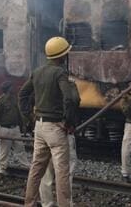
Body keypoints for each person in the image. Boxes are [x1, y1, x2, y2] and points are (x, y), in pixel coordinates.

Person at [19, 36, 79, 207]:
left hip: (39, 127)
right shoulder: (60, 73)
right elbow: (69, 99)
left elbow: (22, 94)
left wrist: (29, 118)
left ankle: (29, 203)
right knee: (62, 172)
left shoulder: (37, 72)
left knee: (36, 169)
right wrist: (68, 122)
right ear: (62, 56)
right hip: (55, 128)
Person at [39, 77, 81, 207]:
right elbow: (74, 101)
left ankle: (47, 203)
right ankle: (65, 203)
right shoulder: (69, 85)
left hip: (45, 129)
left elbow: (26, 100)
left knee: (46, 170)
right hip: (63, 133)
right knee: (66, 170)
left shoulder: (43, 85)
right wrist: (69, 124)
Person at [0, 81, 30, 179]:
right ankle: (1, 170)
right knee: (4, 150)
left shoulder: (14, 99)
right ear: (8, 89)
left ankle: (27, 167)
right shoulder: (0, 101)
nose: (13, 89)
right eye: (11, 87)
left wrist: (23, 126)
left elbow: (18, 113)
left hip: (15, 128)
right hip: (5, 129)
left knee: (20, 148)